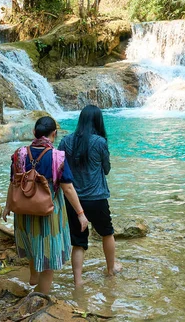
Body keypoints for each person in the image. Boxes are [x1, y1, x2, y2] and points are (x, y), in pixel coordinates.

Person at [2, 116, 88, 294]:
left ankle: (33, 279)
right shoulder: (57, 157)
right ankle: (41, 298)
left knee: (33, 243)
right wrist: (80, 213)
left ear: (34, 133)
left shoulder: (20, 154)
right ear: (54, 134)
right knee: (47, 254)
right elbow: (68, 189)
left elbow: (13, 182)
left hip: (24, 209)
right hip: (48, 212)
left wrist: (7, 205)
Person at [59, 105, 121, 288]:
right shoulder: (100, 142)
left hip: (74, 201)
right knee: (107, 233)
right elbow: (107, 169)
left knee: (78, 242)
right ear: (97, 121)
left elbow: (61, 170)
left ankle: (78, 281)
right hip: (97, 199)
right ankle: (111, 270)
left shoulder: (65, 141)